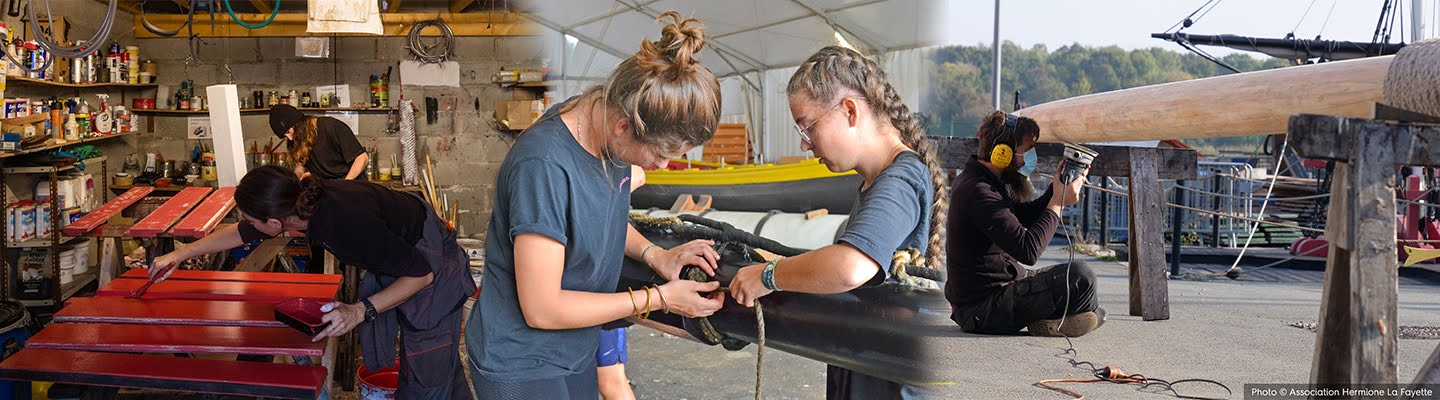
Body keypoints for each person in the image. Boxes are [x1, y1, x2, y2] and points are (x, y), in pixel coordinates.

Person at [467, 12, 727, 400]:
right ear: (624, 125)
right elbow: (542, 307)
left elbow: (595, 218)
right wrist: (658, 300)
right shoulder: (544, 166)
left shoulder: (604, 127)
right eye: (660, 152)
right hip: (521, 361)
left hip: (574, 348)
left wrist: (655, 255)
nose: (660, 166)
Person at [727, 45, 949, 400]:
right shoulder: (876, 182)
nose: (804, 145)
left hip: (888, 384)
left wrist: (769, 276)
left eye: (807, 126)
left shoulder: (900, 180)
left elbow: (850, 266)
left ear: (849, 110)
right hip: (867, 369)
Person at [151, 166, 474, 399]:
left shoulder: (344, 225)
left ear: (276, 223)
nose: (247, 225)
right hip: (403, 254)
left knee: (425, 374)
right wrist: (181, 253)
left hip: (432, 266)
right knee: (442, 365)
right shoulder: (300, 202)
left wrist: (359, 311)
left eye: (252, 220)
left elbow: (421, 275)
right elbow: (240, 232)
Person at [944, 110, 1104, 337]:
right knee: (1081, 276)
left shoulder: (986, 181)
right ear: (1003, 152)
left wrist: (1058, 187)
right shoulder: (979, 192)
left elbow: (1023, 216)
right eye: (1026, 150)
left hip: (999, 291)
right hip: (981, 310)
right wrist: (1058, 202)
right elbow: (1028, 251)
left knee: (1076, 283)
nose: (1030, 157)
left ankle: (1064, 317)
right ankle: (1057, 320)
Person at [269, 104, 369, 180]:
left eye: (288, 132)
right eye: (285, 136)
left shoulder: (331, 127)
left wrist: (345, 184)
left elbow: (362, 158)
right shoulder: (297, 138)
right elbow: (301, 167)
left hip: (352, 186)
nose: (290, 138)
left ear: (298, 124)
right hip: (329, 190)